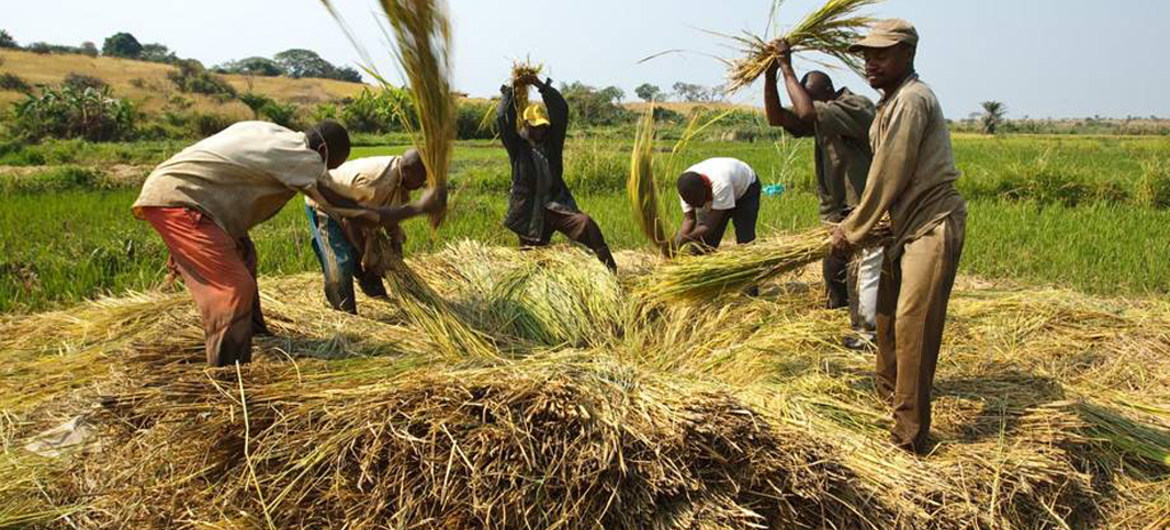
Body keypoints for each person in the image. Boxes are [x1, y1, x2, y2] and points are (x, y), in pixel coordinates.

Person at [132, 120, 443, 367]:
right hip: (182, 200)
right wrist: (418, 208)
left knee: (245, 257)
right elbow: (352, 214)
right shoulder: (305, 160)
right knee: (232, 288)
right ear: (321, 150)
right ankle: (228, 378)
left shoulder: (275, 133)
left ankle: (255, 335)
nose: (326, 172)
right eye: (329, 165)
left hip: (194, 194)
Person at [832, 19, 968, 453]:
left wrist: (853, 229)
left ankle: (909, 438)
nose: (870, 63)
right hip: (902, 227)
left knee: (913, 326)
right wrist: (871, 222)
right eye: (866, 55)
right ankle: (888, 404)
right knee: (886, 322)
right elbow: (882, 175)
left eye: (881, 54)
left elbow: (891, 172)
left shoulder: (912, 100)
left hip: (931, 225)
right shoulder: (888, 104)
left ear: (907, 54)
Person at [763, 38, 881, 350]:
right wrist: (768, 75)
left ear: (826, 95)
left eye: (811, 100)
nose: (807, 107)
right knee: (834, 267)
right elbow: (778, 118)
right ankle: (839, 315)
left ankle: (867, 333)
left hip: (863, 206)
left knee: (864, 270)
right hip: (836, 209)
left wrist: (786, 66)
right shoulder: (821, 112)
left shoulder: (856, 107)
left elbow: (804, 111)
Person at [498, 74, 617, 272]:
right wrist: (511, 90)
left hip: (556, 203)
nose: (541, 131)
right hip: (528, 208)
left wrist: (540, 85)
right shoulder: (517, 145)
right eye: (536, 127)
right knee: (531, 260)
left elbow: (561, 110)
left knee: (586, 224)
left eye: (543, 126)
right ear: (526, 125)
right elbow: (503, 118)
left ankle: (611, 271)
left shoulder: (552, 142)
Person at [305, 150, 429, 314]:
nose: (422, 183)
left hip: (355, 209)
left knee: (373, 252)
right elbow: (351, 222)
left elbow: (391, 214)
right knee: (341, 260)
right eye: (421, 178)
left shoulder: (402, 177)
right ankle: (344, 311)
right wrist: (365, 255)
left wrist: (395, 247)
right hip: (324, 204)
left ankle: (376, 293)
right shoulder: (375, 182)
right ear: (409, 171)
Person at [673, 157, 761, 252]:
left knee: (745, 239)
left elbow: (709, 226)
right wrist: (675, 244)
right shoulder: (685, 188)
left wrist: (684, 239)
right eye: (692, 204)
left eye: (699, 202)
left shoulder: (721, 184)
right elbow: (689, 220)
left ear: (706, 188)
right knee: (702, 246)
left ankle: (749, 263)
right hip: (721, 187)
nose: (698, 206)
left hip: (746, 191)